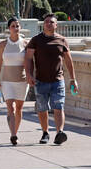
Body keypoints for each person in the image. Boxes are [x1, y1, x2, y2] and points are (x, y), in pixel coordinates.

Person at [25, 13, 77, 145]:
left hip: (57, 80)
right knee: (42, 108)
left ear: (56, 25)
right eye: (47, 22)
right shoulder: (36, 40)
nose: (49, 24)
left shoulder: (62, 40)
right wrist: (29, 75)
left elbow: (68, 60)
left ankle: (59, 132)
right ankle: (45, 133)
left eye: (51, 22)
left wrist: (73, 79)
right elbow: (28, 58)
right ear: (43, 24)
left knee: (59, 106)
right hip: (40, 80)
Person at [0, 16, 29, 145]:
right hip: (7, 81)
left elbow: (30, 63)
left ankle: (15, 131)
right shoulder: (2, 45)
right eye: (13, 26)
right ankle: (13, 134)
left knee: (19, 108)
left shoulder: (25, 44)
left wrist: (31, 77)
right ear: (9, 29)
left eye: (17, 26)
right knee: (10, 108)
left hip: (22, 80)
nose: (16, 28)